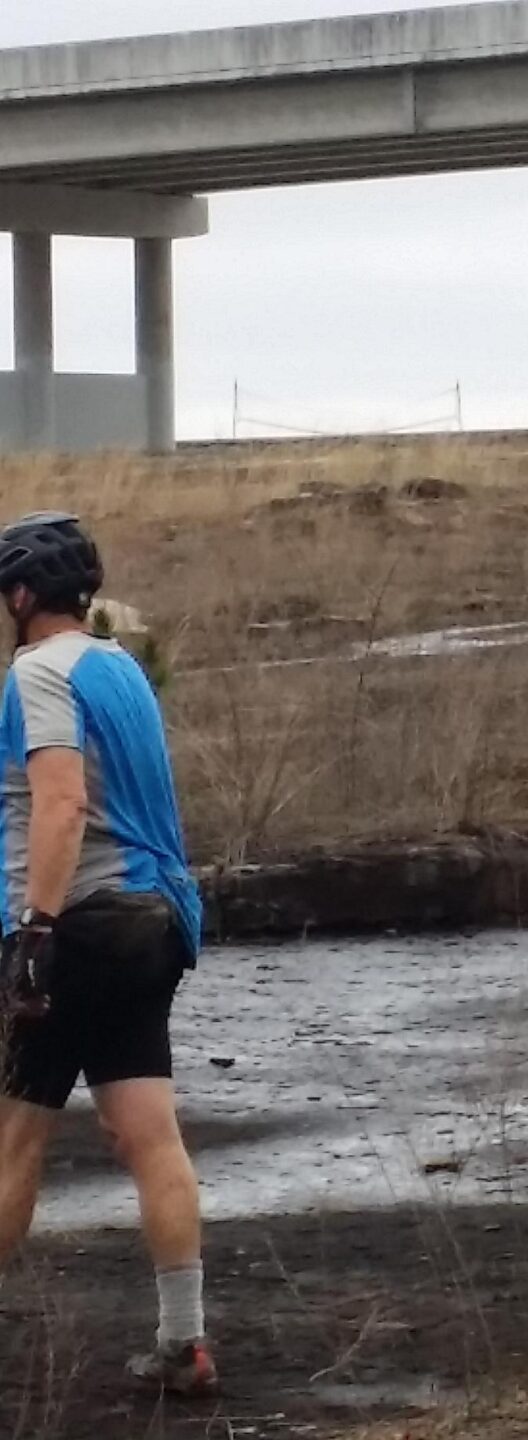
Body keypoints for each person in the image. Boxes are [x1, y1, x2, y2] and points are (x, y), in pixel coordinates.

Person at [0, 513, 214, 1397]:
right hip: (153, 921)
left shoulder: (36, 672)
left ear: (19, 596)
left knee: (14, 1139)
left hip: (80, 926)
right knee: (146, 1132)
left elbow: (60, 804)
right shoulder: (119, 667)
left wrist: (35, 933)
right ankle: (184, 1343)